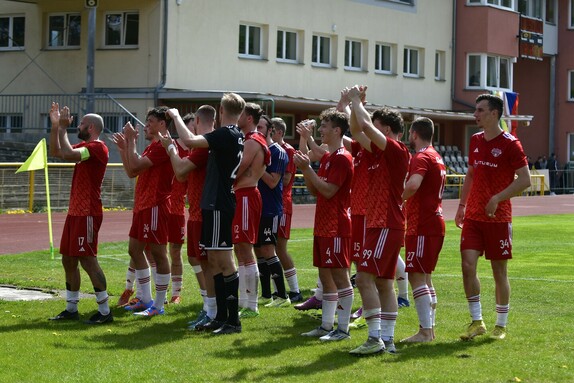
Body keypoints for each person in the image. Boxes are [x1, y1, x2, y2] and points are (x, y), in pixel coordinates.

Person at [158, 93, 246, 335]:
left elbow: (189, 139)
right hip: (213, 203)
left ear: (221, 109)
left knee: (225, 262)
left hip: (219, 202)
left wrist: (175, 116)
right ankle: (219, 317)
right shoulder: (232, 135)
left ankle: (232, 321)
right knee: (215, 262)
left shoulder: (228, 133)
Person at [455, 94, 531, 341]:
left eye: (480, 110)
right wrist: (462, 205)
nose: (475, 114)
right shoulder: (475, 140)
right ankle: (477, 321)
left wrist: (497, 197)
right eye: (475, 110)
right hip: (474, 217)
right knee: (467, 266)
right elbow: (471, 174)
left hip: (498, 218)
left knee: (499, 272)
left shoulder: (511, 143)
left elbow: (525, 180)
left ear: (494, 114)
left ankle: (501, 325)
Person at [346, 85, 411, 355]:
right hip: (379, 223)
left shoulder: (396, 150)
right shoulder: (375, 152)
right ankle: (388, 340)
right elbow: (357, 130)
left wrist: (355, 102)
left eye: (377, 126)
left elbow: (365, 128)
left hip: (386, 223)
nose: (371, 128)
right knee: (383, 282)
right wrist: (356, 105)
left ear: (386, 130)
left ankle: (375, 339)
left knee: (363, 278)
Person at [48, 102, 112, 324]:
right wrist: (56, 126)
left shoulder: (97, 148)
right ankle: (71, 309)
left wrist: (63, 128)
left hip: (87, 213)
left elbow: (67, 153)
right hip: (76, 212)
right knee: (68, 259)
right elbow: (56, 151)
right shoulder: (87, 146)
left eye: (83, 122)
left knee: (88, 260)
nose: (79, 124)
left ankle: (105, 312)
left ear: (92, 127)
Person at [294, 108, 354, 342]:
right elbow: (314, 189)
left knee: (340, 278)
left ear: (337, 130)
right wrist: (305, 169)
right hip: (323, 225)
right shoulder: (329, 157)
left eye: (324, 126)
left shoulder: (341, 157)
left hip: (336, 227)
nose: (320, 130)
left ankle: (343, 329)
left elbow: (328, 191)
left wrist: (307, 168)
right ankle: (327, 325)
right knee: (326, 276)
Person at [112, 106, 174, 317]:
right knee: (135, 250)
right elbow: (131, 171)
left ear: (162, 124)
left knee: (158, 252)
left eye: (150, 122)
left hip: (155, 205)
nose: (146, 126)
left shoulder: (162, 146)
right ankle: (146, 298)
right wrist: (124, 148)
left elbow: (136, 165)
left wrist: (130, 142)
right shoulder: (152, 147)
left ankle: (158, 304)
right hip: (143, 206)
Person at [159, 107, 216, 329]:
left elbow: (181, 172)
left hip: (203, 213)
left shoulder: (203, 146)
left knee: (210, 262)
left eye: (188, 127)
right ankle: (209, 306)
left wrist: (171, 148)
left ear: (197, 124)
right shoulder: (199, 148)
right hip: (195, 213)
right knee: (197, 259)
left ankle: (212, 308)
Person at [400, 117, 446, 343]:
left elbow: (413, 185)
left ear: (414, 134)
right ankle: (430, 328)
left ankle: (425, 332)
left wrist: (397, 200)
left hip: (423, 225)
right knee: (426, 278)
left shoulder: (421, 156)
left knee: (417, 277)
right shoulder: (436, 155)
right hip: (434, 222)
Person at [233, 103, 269, 318]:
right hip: (241, 196)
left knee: (246, 249)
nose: (237, 117)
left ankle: (251, 304)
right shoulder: (248, 139)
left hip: (246, 196)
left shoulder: (253, 141)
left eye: (240, 114)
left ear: (248, 118)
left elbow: (238, 168)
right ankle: (244, 300)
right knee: (240, 249)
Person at [254, 115, 291, 309]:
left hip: (270, 209)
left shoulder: (278, 152)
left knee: (269, 250)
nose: (257, 130)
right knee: (258, 250)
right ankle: (266, 294)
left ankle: (282, 295)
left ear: (270, 130)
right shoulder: (256, 149)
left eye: (260, 127)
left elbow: (273, 181)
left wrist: (256, 165)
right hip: (255, 208)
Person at [270, 117, 303, 303]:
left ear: (280, 132)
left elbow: (285, 179)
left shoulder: (288, 151)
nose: (269, 134)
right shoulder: (272, 150)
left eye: (271, 131)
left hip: (282, 204)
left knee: (279, 248)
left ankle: (295, 290)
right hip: (273, 203)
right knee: (270, 248)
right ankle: (277, 291)